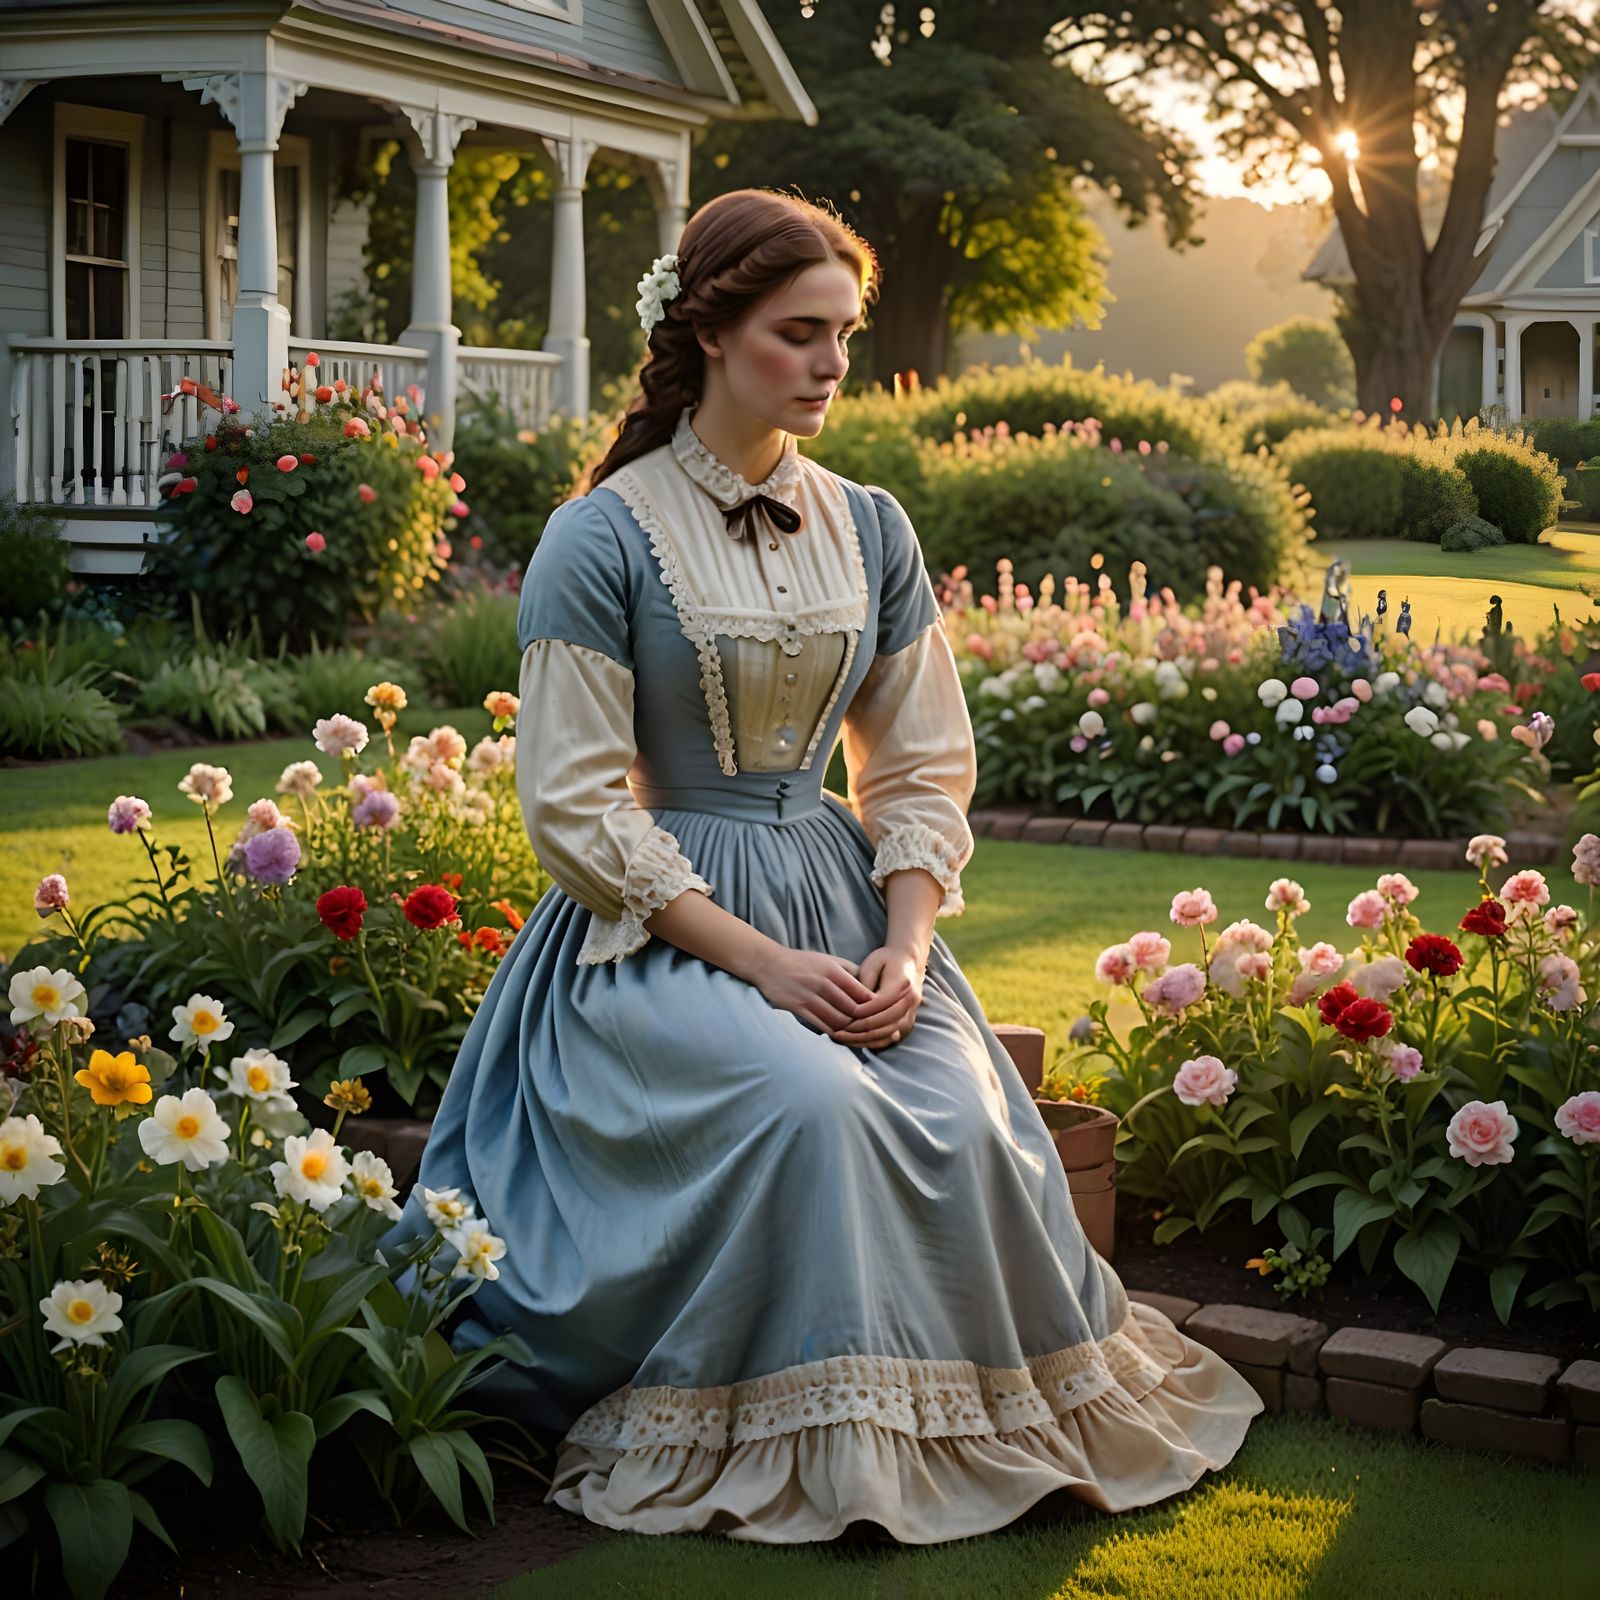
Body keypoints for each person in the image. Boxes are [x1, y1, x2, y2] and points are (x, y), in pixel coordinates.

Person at [390, 188, 1264, 1545]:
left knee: (971, 1116)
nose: (831, 366)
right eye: (801, 334)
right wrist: (767, 966)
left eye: (844, 336)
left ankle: (959, 1418)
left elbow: (916, 770)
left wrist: (906, 953)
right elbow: (570, 810)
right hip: (658, 934)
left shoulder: (873, 524)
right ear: (712, 332)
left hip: (848, 902)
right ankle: (794, 1431)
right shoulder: (602, 536)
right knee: (813, 1107)